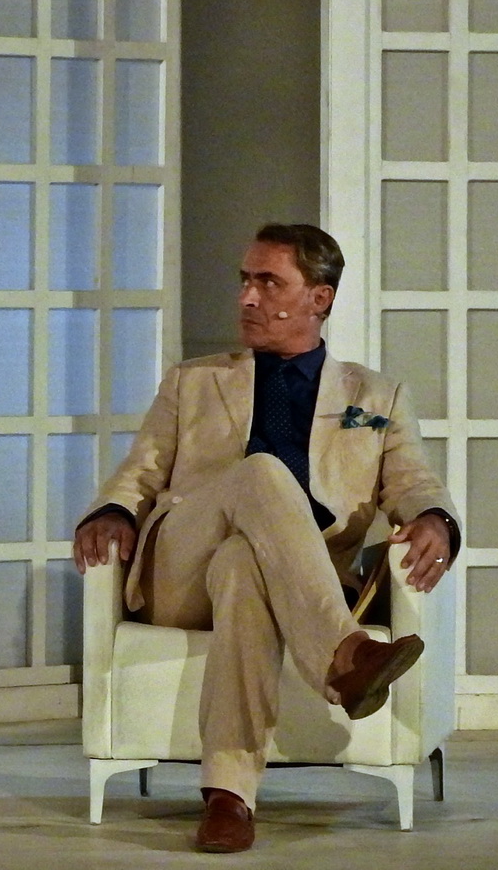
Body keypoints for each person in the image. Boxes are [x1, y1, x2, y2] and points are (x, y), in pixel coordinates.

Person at [73, 223, 459, 853]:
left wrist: (436, 518)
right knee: (260, 473)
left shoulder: (376, 396)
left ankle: (229, 797)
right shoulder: (192, 381)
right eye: (245, 281)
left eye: (269, 282)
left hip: (290, 579)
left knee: (242, 566)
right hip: (180, 570)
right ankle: (345, 654)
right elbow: (141, 470)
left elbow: (414, 482)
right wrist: (112, 511)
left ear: (319, 298)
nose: (247, 297)